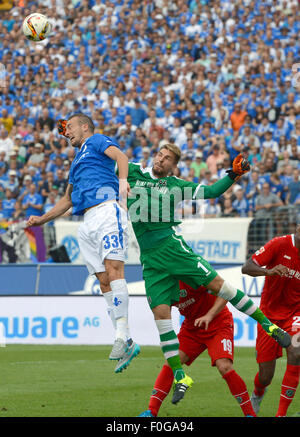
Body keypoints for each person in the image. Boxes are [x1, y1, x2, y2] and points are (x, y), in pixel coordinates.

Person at [126, 143, 290, 405]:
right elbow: (106, 159)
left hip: (170, 246)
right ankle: (181, 377)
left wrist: (233, 175)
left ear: (173, 166)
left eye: (167, 158)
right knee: (161, 317)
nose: (161, 160)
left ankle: (267, 324)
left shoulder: (177, 185)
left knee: (219, 286)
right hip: (149, 259)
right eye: (160, 155)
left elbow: (212, 191)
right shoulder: (133, 172)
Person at [26, 113, 140, 373]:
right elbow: (67, 200)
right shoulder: (76, 162)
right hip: (86, 222)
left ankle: (121, 335)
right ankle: (129, 340)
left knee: (114, 271)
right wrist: (42, 219)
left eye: (70, 127)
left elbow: (121, 157)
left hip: (107, 211)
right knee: (102, 281)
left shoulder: (97, 140)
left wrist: (122, 182)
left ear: (85, 126)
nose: (67, 133)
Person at [139, 281, 257, 417]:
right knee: (172, 362)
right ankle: (151, 412)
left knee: (224, 367)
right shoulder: (162, 286)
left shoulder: (190, 274)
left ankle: (250, 414)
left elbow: (225, 293)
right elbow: (163, 316)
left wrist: (209, 315)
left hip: (218, 323)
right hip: (192, 327)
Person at [242, 227, 300, 417]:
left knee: (296, 351)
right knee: (265, 376)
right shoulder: (279, 244)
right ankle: (258, 392)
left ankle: (280, 414)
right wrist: (269, 272)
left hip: (295, 313)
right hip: (269, 316)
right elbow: (247, 267)